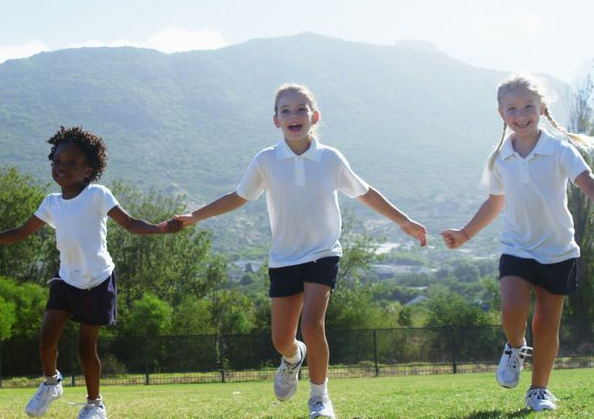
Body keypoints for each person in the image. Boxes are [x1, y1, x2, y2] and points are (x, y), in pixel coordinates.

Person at [174, 83, 427, 419]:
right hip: (283, 258)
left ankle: (320, 399)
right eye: (285, 111)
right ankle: (293, 358)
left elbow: (365, 193)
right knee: (282, 339)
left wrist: (404, 222)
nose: (294, 115)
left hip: (323, 253)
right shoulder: (266, 160)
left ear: (314, 116)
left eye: (300, 109)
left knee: (313, 323)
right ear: (276, 120)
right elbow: (239, 196)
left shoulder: (330, 158)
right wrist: (195, 216)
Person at [0, 126, 180, 419]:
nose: (61, 167)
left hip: (98, 281)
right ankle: (52, 382)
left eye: (71, 162)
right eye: (57, 161)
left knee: (86, 348)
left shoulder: (98, 195)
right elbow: (21, 232)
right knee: (46, 337)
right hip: (66, 280)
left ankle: (94, 404)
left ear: (88, 170)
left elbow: (130, 223)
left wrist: (160, 228)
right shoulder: (51, 203)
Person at [441, 72, 594, 412]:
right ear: (501, 114)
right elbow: (495, 202)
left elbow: (590, 181)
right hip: (517, 247)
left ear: (542, 108)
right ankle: (515, 346)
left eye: (528, 107)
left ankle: (539, 390)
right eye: (512, 108)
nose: (520, 115)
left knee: (546, 324)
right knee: (512, 311)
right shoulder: (499, 158)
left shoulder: (559, 150)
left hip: (558, 251)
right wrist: (464, 234)